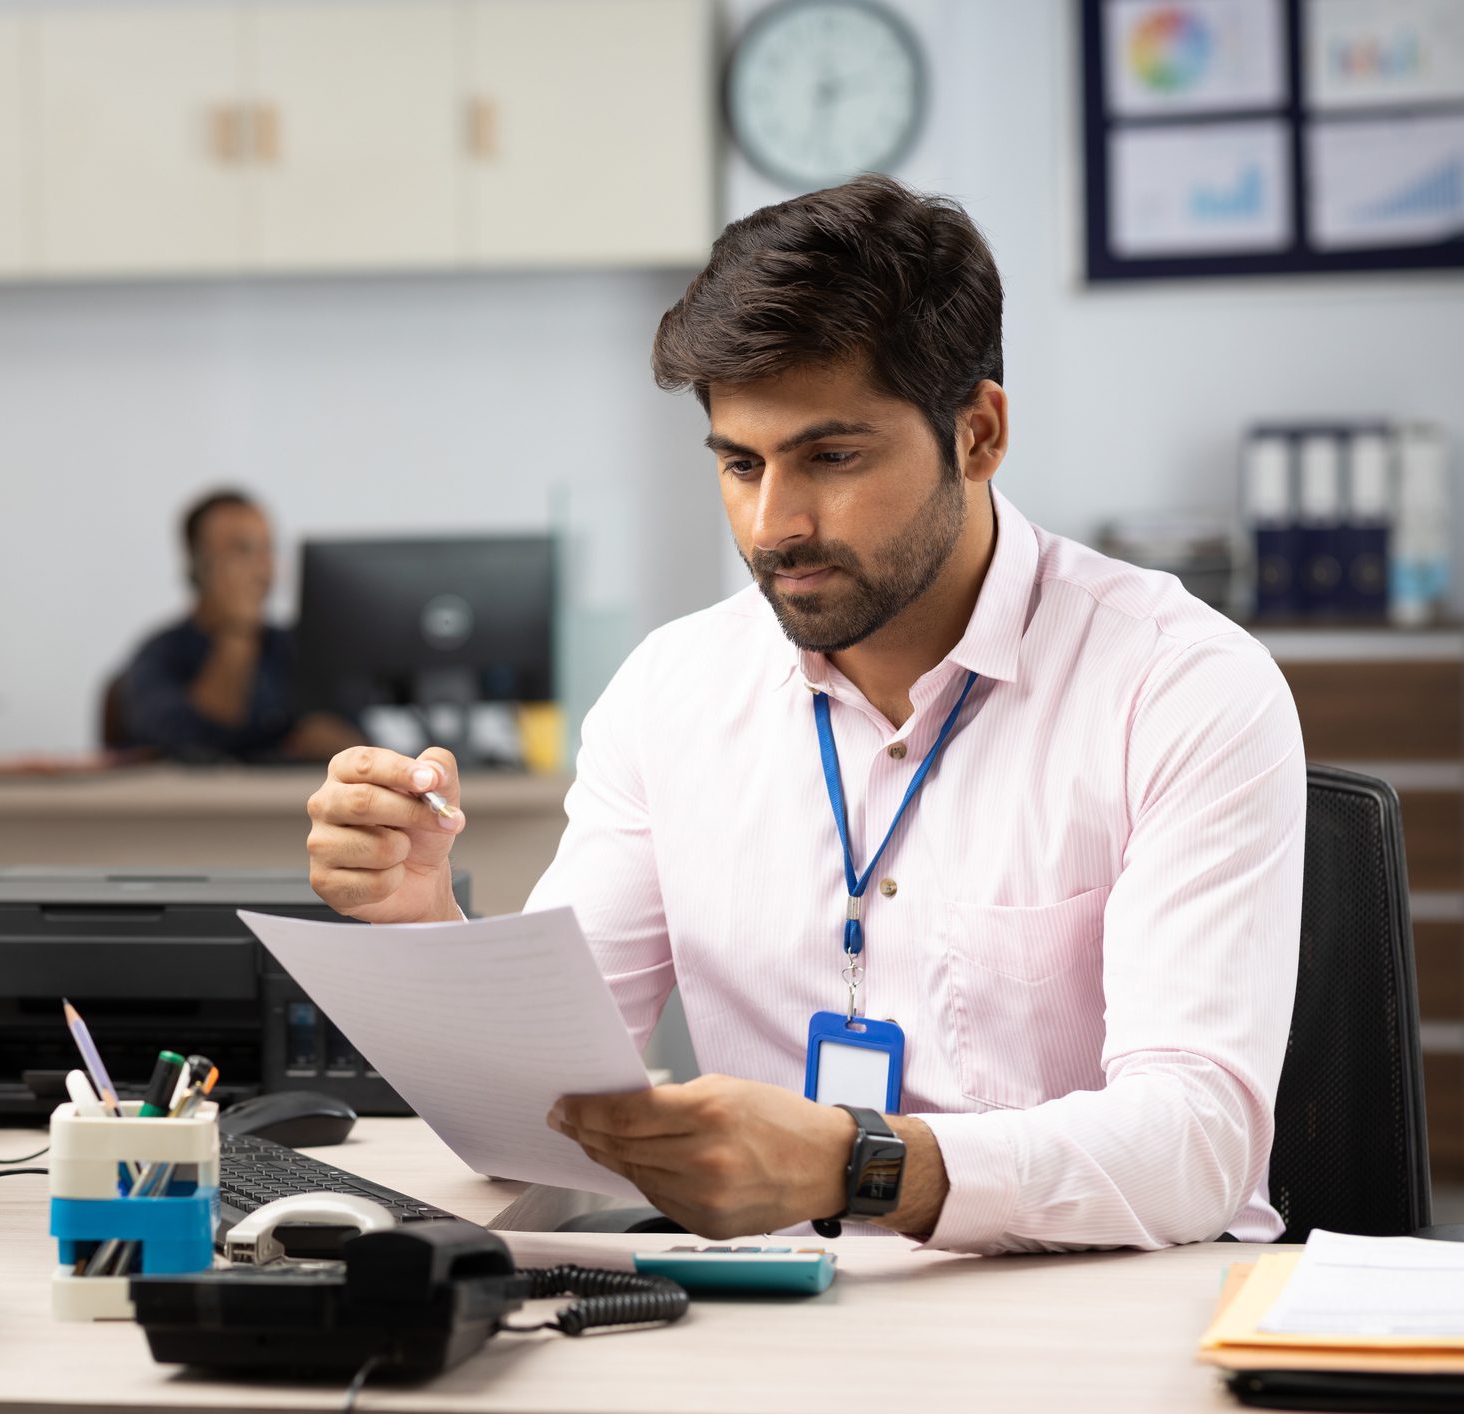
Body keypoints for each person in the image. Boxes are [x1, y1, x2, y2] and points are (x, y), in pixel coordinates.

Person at [302, 175, 1304, 1255]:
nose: (775, 524)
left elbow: (1200, 1143)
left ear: (977, 433)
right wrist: (422, 928)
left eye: (831, 457)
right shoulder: (671, 691)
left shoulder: (1180, 683)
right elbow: (547, 1105)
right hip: (788, 1313)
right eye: (740, 464)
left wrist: (862, 1165)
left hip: (1102, 1310)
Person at [114, 490, 359, 763]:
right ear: (198, 564)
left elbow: (361, 734)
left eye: (267, 548)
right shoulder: (161, 653)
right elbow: (188, 743)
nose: (261, 567)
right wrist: (237, 631)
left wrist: (339, 744)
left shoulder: (299, 647)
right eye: (242, 550)